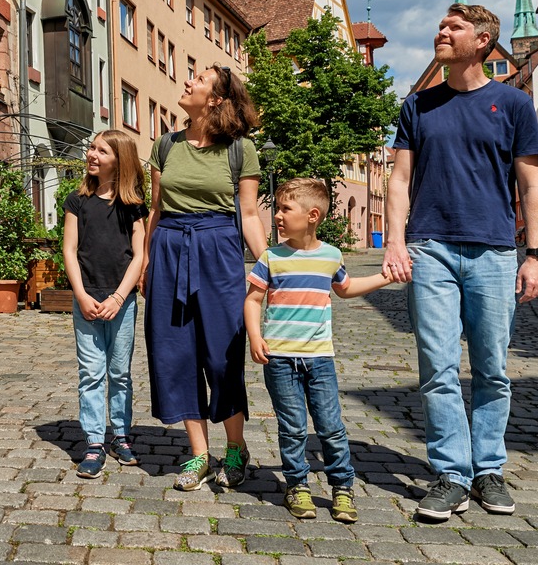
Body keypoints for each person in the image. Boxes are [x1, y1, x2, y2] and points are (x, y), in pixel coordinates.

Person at [383, 3, 538, 522]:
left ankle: (489, 470)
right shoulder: (418, 105)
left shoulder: (513, 104)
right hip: (430, 248)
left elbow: (531, 185)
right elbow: (399, 180)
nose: (442, 32)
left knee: (493, 368)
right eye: (441, 25)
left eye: (453, 27)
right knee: (438, 367)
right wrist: (394, 241)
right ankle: (452, 473)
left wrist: (535, 254)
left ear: (483, 40)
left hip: (494, 251)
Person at [144, 65, 268, 491]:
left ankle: (235, 448)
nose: (187, 81)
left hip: (218, 249)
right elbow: (156, 210)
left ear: (216, 99)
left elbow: (249, 215)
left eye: (197, 79)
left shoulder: (240, 150)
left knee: (222, 357)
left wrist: (269, 266)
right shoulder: (164, 145)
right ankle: (199, 453)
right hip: (169, 249)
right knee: (175, 356)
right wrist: (146, 261)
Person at [243, 178, 392, 521]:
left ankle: (342, 487)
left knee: (330, 426)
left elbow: (347, 287)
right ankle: (297, 485)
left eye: (284, 209)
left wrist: (385, 277)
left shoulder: (331, 256)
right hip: (279, 358)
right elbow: (253, 300)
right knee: (293, 427)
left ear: (312, 215)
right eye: (277, 208)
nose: (277, 215)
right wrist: (255, 336)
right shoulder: (270, 257)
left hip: (320, 359)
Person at [62, 130, 148, 478]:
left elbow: (140, 254)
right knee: (91, 373)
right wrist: (82, 295)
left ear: (119, 160)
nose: (91, 154)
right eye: (91, 148)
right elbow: (69, 249)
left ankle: (121, 436)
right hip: (86, 300)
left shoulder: (133, 206)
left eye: (101, 150)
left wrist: (118, 297)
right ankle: (95, 442)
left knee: (120, 373)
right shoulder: (77, 201)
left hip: (122, 303)